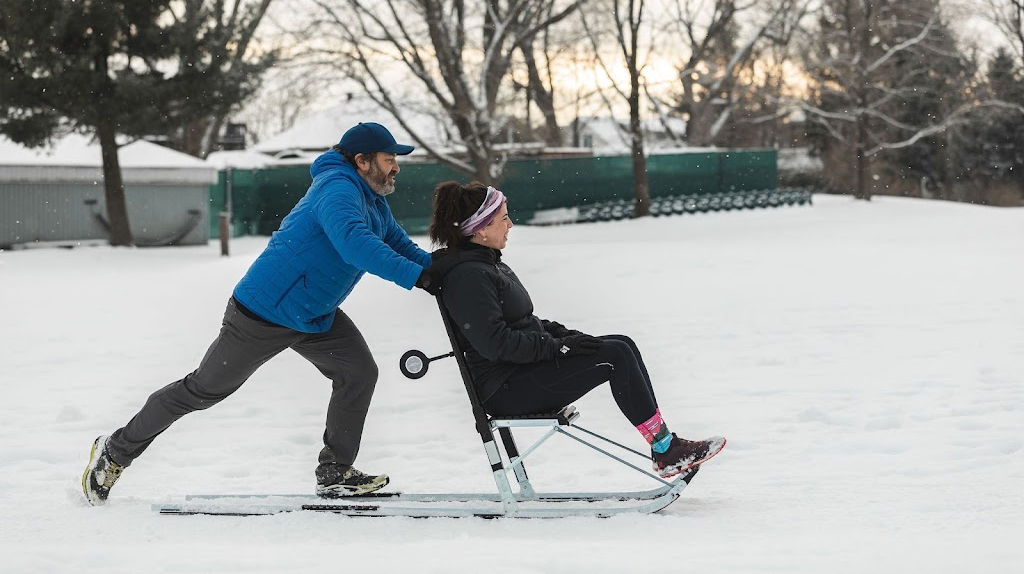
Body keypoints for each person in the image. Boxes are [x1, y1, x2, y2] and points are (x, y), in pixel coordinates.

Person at [82, 122, 439, 505]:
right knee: (202, 390)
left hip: (315, 314)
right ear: (362, 161)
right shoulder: (336, 189)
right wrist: (418, 278)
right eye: (389, 160)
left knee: (358, 372)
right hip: (263, 313)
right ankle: (114, 451)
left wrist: (442, 271)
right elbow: (355, 244)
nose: (396, 167)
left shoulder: (371, 197)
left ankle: (335, 473)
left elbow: (396, 242)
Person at [426, 181, 726, 478]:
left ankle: (665, 445)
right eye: (504, 218)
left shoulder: (487, 265)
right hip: (505, 388)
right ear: (481, 228)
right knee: (615, 355)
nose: (511, 224)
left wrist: (569, 337)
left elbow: (527, 322)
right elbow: (496, 344)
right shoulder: (469, 276)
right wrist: (560, 348)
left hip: (519, 374)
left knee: (621, 343)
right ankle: (665, 450)